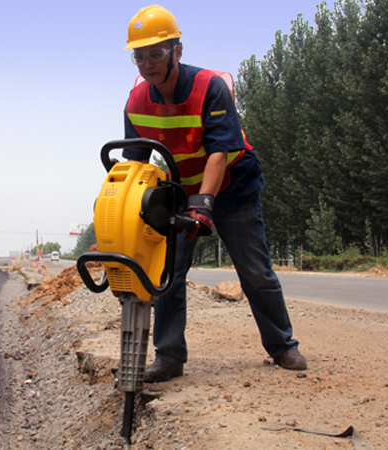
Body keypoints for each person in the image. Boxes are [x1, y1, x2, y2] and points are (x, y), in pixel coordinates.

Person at [122, 5, 307, 382]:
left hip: (232, 183)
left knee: (255, 271)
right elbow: (135, 166)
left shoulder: (210, 87)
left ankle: (282, 345)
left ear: (177, 51)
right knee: (168, 272)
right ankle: (169, 356)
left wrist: (204, 205)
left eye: (156, 53)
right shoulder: (136, 102)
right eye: (139, 56)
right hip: (179, 187)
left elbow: (219, 152)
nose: (147, 63)